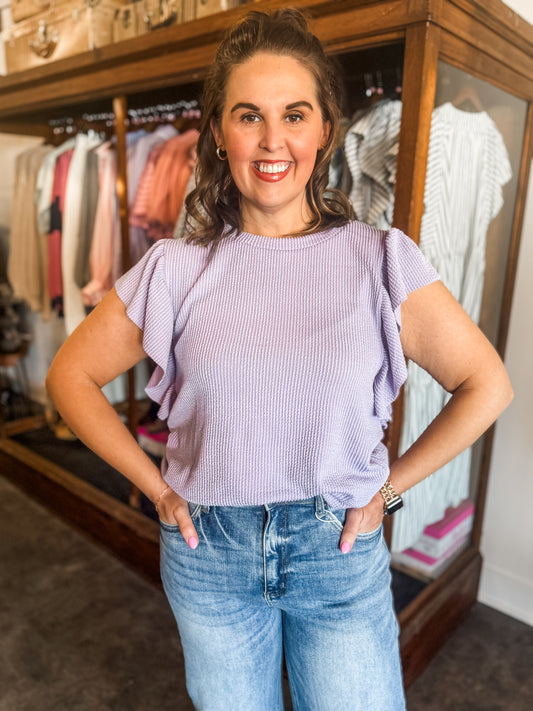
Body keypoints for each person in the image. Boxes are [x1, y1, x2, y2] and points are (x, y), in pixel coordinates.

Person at [46, 8, 513, 711]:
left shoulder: (380, 258)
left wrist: (387, 490)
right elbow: (69, 378)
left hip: (337, 549)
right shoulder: (174, 267)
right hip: (210, 555)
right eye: (247, 115)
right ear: (216, 132)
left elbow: (486, 384)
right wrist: (159, 486)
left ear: (326, 128)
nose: (272, 141)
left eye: (294, 114)